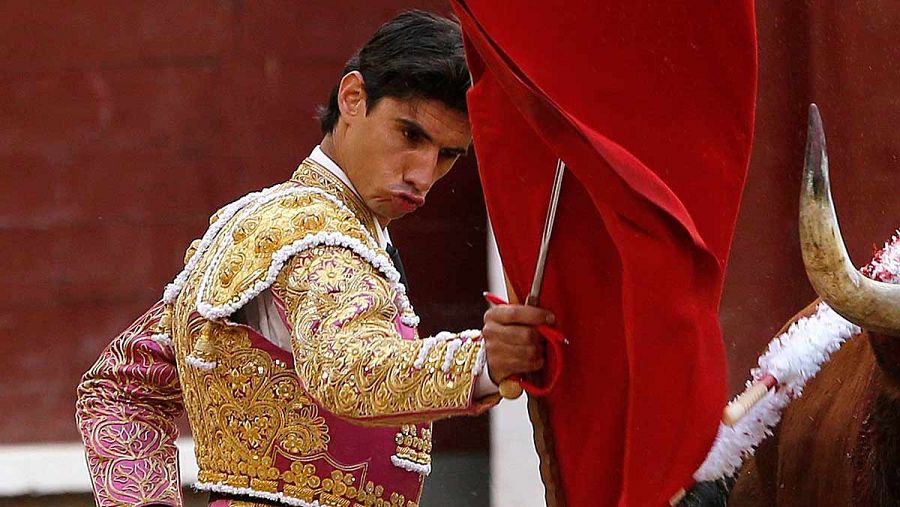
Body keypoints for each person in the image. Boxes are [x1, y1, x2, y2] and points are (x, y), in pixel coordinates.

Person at [75, 10, 552, 507]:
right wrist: (482, 360)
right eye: (410, 135)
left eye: (449, 155)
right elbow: (347, 369)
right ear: (352, 98)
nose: (423, 175)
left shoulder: (265, 224)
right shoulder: (314, 234)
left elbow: (121, 390)